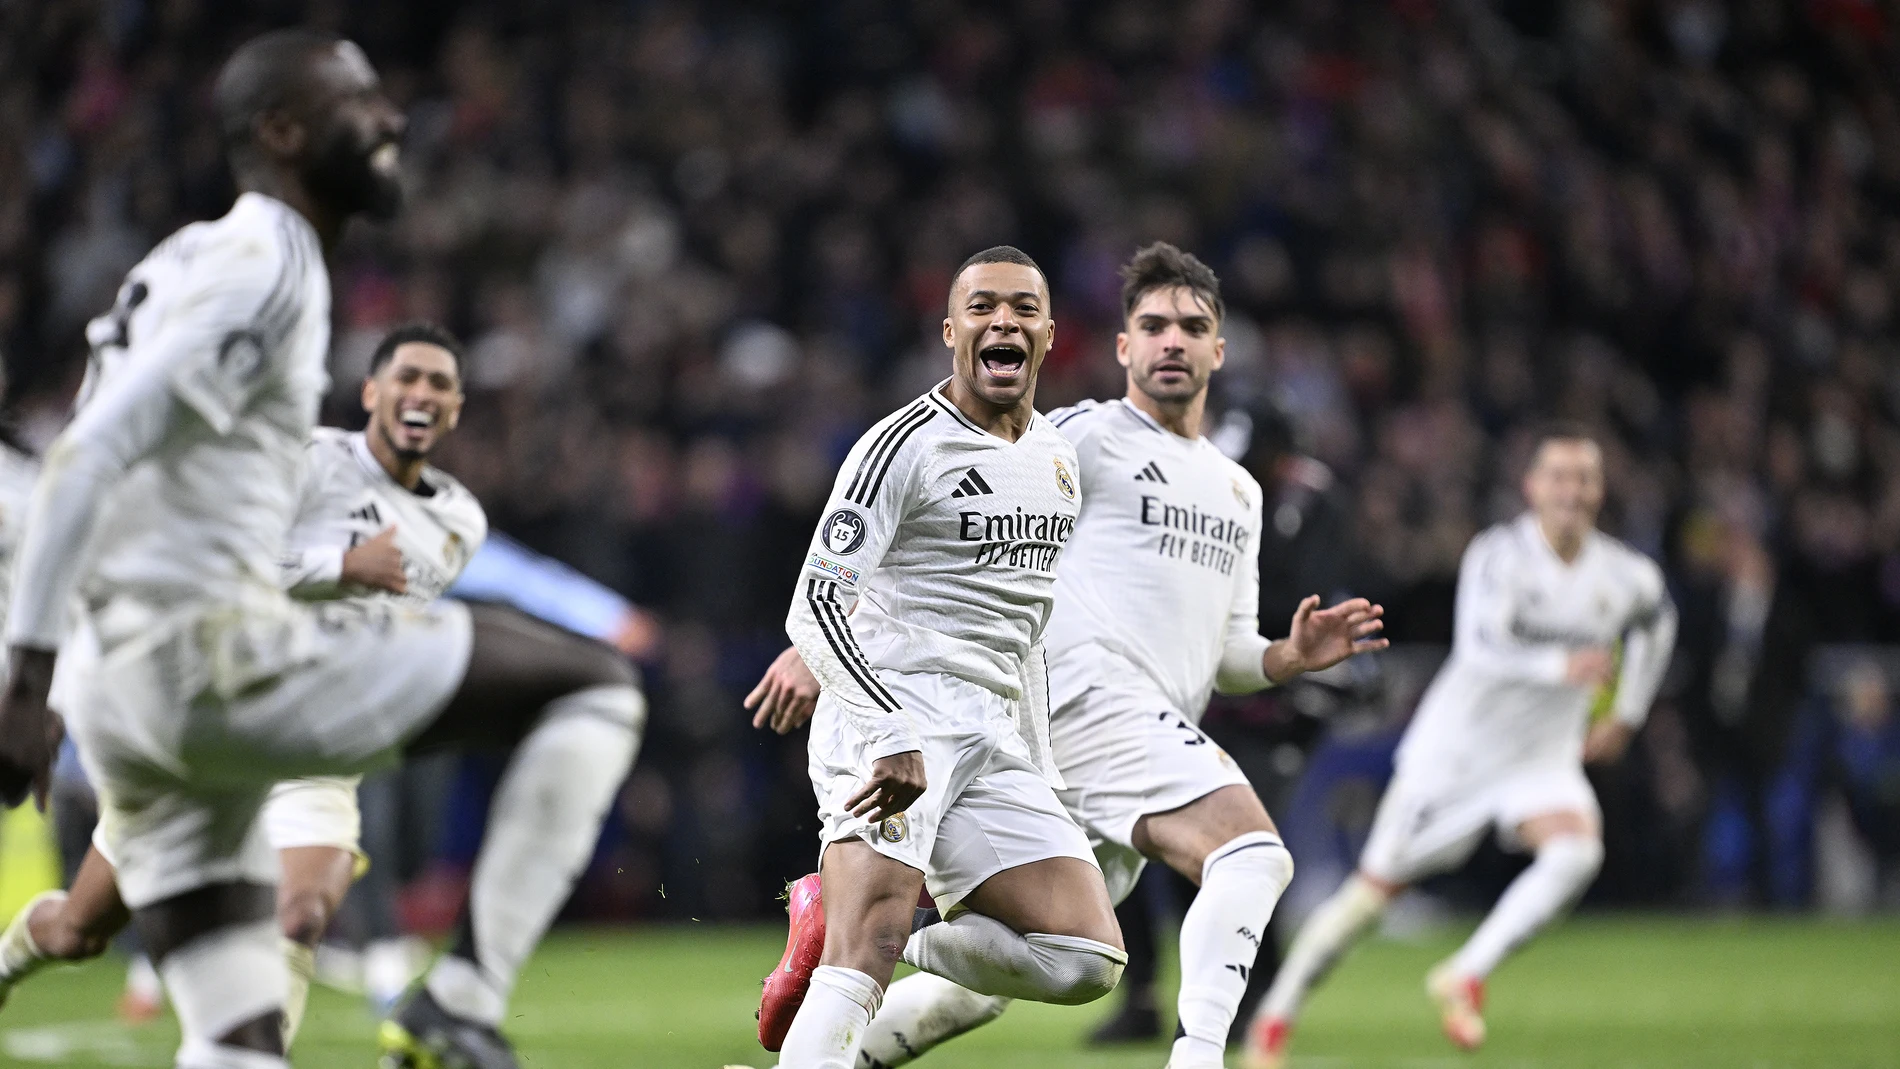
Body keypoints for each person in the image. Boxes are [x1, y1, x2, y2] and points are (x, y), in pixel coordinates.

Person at [0, 31, 643, 1069]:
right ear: (285, 133)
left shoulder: (196, 256)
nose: (391, 120)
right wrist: (26, 679)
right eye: (359, 103)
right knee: (592, 687)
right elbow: (85, 457)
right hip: (215, 667)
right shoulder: (270, 265)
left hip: (178, 693)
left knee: (238, 1028)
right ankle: (460, 1000)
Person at [748, 243, 1388, 1069]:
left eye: (1192, 327)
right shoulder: (1073, 436)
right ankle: (1200, 1057)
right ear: (1119, 347)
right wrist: (825, 660)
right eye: (1152, 325)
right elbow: (834, 588)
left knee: (1068, 959)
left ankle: (846, 952)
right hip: (1025, 707)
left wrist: (1286, 657)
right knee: (1252, 851)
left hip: (1018, 729)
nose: (1172, 342)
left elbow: (1178, 644)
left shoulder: (1210, 485)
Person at [0, 321, 487, 1048]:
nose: (422, 393)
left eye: (440, 383)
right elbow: (217, 568)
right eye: (407, 377)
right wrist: (339, 569)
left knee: (298, 915)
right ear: (372, 392)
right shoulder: (308, 463)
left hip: (315, 751)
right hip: (216, 723)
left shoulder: (459, 522)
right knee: (79, 928)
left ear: (455, 408)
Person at [758, 246, 1128, 1069]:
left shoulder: (1057, 460)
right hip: (895, 713)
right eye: (985, 307)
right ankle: (863, 931)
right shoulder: (901, 446)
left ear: (1050, 334)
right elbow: (813, 603)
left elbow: (1025, 626)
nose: (1005, 321)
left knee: (1083, 958)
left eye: (1024, 309)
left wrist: (1041, 766)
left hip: (991, 733)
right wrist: (891, 726)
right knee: (870, 944)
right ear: (951, 330)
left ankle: (858, 925)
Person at [1242, 427, 1678, 1068]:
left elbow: (1659, 620)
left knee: (1578, 850)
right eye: (1558, 476)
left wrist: (1631, 711)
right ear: (1531, 487)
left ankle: (1466, 973)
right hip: (1454, 759)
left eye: (1584, 477)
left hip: (1541, 759)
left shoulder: (1624, 572)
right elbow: (1482, 647)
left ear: (1599, 490)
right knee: (1368, 899)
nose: (1572, 491)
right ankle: (1276, 1014)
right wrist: (1564, 667)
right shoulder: (1499, 557)